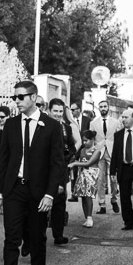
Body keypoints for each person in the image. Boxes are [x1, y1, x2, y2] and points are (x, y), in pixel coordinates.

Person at [0, 81, 66, 265]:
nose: (17, 101)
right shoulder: (12, 125)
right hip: (14, 189)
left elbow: (57, 164)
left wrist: (50, 194)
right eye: (15, 97)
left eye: (21, 97)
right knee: (11, 239)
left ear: (34, 97)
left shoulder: (52, 126)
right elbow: (3, 161)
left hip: (39, 192)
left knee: (37, 239)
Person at [48, 98, 76, 245]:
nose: (58, 114)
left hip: (61, 169)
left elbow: (72, 146)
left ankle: (58, 235)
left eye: (60, 111)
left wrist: (67, 156)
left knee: (59, 202)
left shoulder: (66, 127)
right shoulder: (43, 125)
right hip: (44, 169)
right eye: (55, 111)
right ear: (49, 111)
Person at [89, 100, 120, 215]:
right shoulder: (93, 123)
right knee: (100, 179)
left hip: (112, 152)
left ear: (108, 107)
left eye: (105, 106)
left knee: (113, 178)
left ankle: (114, 199)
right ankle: (102, 204)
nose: (103, 108)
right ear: (99, 108)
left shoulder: (116, 122)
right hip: (99, 152)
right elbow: (91, 139)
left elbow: (119, 138)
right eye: (101, 106)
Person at [69, 130, 101, 227]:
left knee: (88, 195)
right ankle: (86, 217)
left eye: (86, 141)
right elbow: (76, 158)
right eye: (83, 141)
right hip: (82, 174)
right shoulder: (82, 150)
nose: (84, 143)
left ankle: (90, 217)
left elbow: (88, 163)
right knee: (82, 195)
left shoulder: (97, 151)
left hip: (91, 174)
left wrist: (75, 163)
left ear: (92, 140)